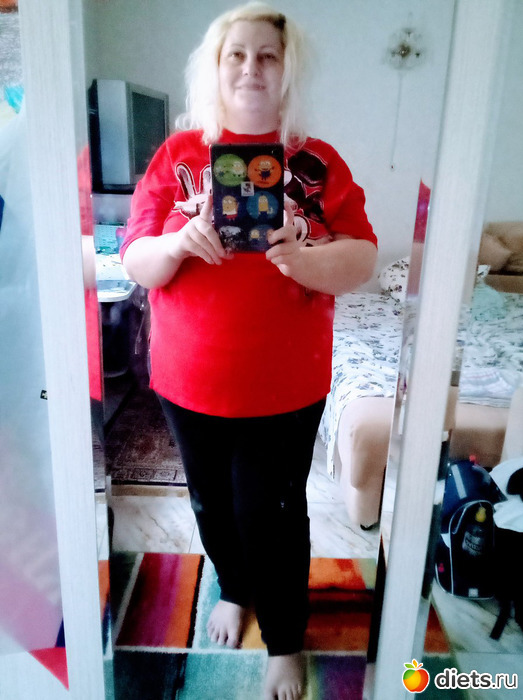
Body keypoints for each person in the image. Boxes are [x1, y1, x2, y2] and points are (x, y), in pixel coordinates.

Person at [120, 3, 377, 698]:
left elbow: (362, 259)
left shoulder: (317, 163)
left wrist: (303, 256)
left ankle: (285, 640)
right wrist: (178, 242)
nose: (251, 67)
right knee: (210, 503)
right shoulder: (178, 155)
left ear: (288, 68)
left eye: (267, 54)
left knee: (274, 514)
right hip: (187, 380)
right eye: (236, 53)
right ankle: (233, 588)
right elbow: (137, 260)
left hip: (286, 384)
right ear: (215, 65)